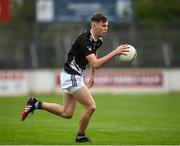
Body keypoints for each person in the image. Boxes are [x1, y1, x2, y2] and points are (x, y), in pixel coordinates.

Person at [21, 12, 129, 143]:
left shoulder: (98, 39)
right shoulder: (85, 40)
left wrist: (92, 74)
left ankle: (35, 104)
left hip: (72, 75)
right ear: (94, 25)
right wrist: (115, 52)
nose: (106, 28)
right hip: (71, 76)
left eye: (107, 26)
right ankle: (80, 137)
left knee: (67, 113)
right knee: (91, 107)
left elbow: (95, 56)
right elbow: (95, 63)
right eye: (104, 26)